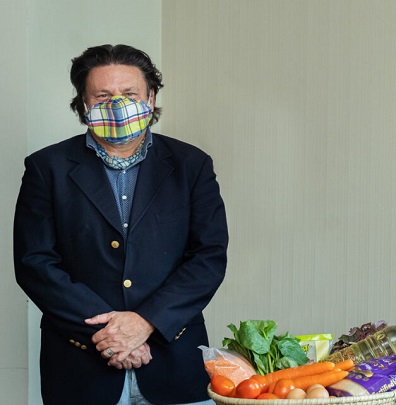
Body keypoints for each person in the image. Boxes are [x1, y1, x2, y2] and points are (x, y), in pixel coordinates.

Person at [14, 44, 229, 405]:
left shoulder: (191, 165)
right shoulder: (46, 167)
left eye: (129, 94)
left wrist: (145, 323)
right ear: (83, 104)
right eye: (103, 96)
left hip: (175, 365)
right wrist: (112, 335)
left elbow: (208, 257)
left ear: (150, 97)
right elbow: (34, 262)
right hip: (80, 369)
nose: (117, 104)